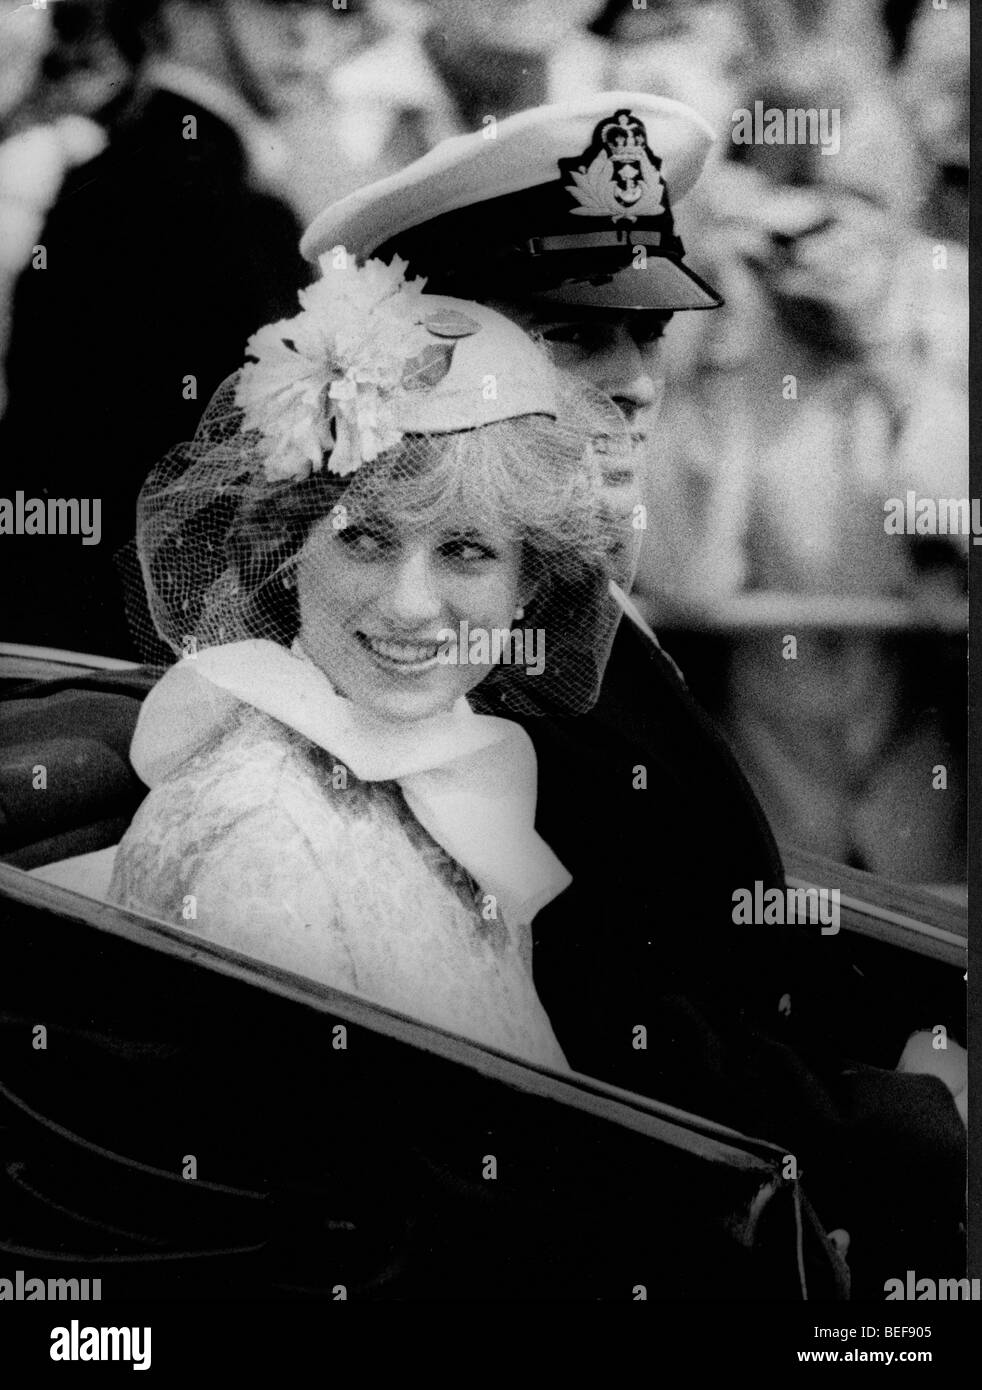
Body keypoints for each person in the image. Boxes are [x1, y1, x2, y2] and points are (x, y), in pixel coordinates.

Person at [298, 93, 966, 1292]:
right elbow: (594, 1014)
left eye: (648, 335)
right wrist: (897, 1114)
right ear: (440, 360)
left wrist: (896, 1038)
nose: (636, 380)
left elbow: (708, 904)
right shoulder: (438, 633)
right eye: (570, 338)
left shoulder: (551, 580)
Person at [107, 254, 633, 1070]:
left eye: (466, 551)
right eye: (364, 538)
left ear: (527, 581)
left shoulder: (434, 770)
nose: (410, 606)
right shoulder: (267, 838)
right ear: (290, 547)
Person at [0, 0, 348, 657]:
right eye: (281, 4)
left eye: (337, 11)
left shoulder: (141, 174)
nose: (311, 32)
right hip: (130, 661)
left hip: (77, 633)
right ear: (180, 9)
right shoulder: (198, 198)